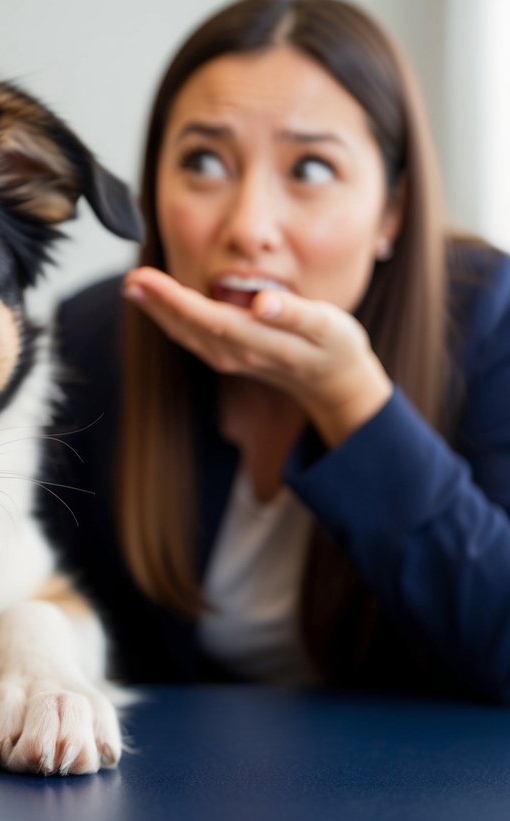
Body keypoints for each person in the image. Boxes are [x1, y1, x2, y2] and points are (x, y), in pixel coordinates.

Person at [47, 0, 510, 703]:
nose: (248, 226)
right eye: (203, 162)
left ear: (391, 210)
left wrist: (350, 400)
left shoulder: (490, 322)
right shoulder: (90, 338)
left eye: (311, 169)